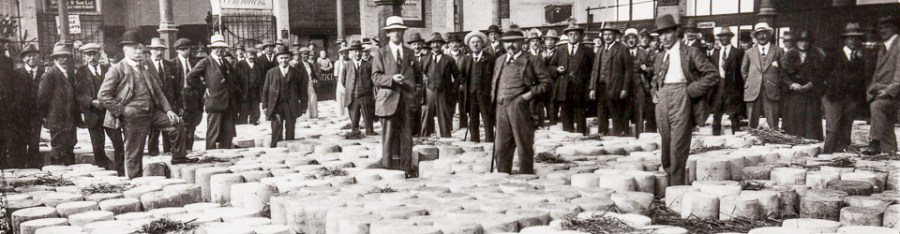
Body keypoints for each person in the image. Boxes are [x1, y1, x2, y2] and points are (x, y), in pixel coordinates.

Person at [98, 30, 190, 178]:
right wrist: (122, 110)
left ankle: (178, 158)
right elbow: (103, 95)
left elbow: (158, 92)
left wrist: (168, 111)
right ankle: (135, 181)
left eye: (141, 48)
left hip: (151, 113)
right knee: (134, 152)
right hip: (133, 117)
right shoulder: (117, 70)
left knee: (177, 124)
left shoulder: (145, 66)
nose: (139, 51)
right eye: (135, 48)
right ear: (125, 49)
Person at [651, 14, 719, 186]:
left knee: (677, 147)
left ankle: (677, 190)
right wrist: (655, 91)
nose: (663, 37)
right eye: (660, 34)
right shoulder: (660, 55)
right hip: (663, 100)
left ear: (676, 32)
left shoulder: (691, 52)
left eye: (667, 33)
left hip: (682, 96)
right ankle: (671, 185)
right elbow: (654, 77)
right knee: (666, 147)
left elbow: (712, 74)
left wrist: (691, 90)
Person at [492, 29, 553, 174]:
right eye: (507, 42)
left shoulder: (533, 60)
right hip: (501, 107)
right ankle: (503, 175)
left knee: (523, 145)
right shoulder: (500, 60)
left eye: (514, 41)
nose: (510, 45)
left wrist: (527, 96)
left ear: (522, 43)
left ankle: (526, 178)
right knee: (501, 147)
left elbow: (547, 84)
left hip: (521, 107)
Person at [372, 16, 423, 177]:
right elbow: (375, 76)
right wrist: (391, 79)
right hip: (388, 100)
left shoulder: (409, 52)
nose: (396, 34)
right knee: (387, 137)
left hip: (407, 100)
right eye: (393, 31)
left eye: (399, 31)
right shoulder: (381, 53)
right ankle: (388, 170)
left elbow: (419, 76)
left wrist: (416, 92)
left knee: (407, 136)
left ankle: (406, 169)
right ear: (388, 34)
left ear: (403, 32)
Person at [187, 34, 244, 149]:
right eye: (216, 47)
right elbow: (190, 76)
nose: (220, 50)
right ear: (212, 48)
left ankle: (225, 154)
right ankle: (211, 155)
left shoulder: (225, 62)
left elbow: (233, 79)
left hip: (228, 102)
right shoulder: (205, 62)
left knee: (228, 132)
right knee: (214, 131)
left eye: (222, 47)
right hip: (215, 102)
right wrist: (204, 88)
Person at [823, 23, 868, 153]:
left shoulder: (859, 59)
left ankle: (840, 157)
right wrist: (826, 93)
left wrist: (856, 100)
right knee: (832, 128)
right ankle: (827, 155)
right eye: (850, 38)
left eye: (856, 38)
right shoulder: (833, 56)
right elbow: (820, 76)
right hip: (833, 99)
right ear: (845, 39)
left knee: (846, 128)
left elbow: (862, 80)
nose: (853, 41)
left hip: (850, 100)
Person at [75, 43, 121, 171]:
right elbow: (78, 94)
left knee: (118, 142)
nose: (92, 58)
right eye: (88, 55)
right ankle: (103, 170)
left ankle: (121, 169)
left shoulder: (109, 70)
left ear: (99, 55)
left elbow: (117, 89)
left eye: (94, 54)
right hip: (93, 114)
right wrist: (91, 101)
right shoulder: (80, 72)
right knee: (97, 146)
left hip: (109, 113)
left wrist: (112, 103)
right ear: (84, 57)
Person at [862, 16, 900, 155]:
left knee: (877, 106)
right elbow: (877, 74)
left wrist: (888, 91)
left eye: (887, 27)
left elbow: (899, 75)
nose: (883, 30)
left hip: (895, 94)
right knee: (887, 125)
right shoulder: (883, 47)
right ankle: (891, 153)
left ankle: (875, 142)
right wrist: (871, 89)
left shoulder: (898, 45)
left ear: (895, 28)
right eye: (881, 27)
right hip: (882, 91)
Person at [38, 44, 81, 165]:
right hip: (57, 120)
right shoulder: (49, 75)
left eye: (67, 57)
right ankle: (58, 175)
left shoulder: (70, 74)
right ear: (55, 59)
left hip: (70, 120)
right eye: (61, 57)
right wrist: (49, 116)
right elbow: (42, 100)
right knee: (58, 149)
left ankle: (70, 176)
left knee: (70, 147)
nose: (65, 60)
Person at [779, 31, 825, 140]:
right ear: (796, 42)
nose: (803, 44)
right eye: (800, 41)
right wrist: (791, 84)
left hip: (811, 93)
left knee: (810, 120)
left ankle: (811, 143)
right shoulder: (789, 55)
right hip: (793, 94)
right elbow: (782, 74)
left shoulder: (818, 55)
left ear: (810, 42)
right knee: (793, 119)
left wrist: (810, 85)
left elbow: (821, 74)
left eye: (806, 41)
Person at [261, 45, 308, 148]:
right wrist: (265, 106)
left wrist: (304, 105)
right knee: (276, 128)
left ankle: (289, 150)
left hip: (291, 105)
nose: (284, 60)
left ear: (289, 58)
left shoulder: (296, 72)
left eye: (286, 57)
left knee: (290, 129)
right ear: (277, 59)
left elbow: (302, 90)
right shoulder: (271, 73)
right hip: (276, 105)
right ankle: (275, 150)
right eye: (281, 58)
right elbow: (265, 90)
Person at [550, 22, 593, 135]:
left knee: (580, 114)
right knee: (565, 114)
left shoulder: (587, 51)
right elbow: (550, 66)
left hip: (581, 88)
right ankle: (567, 139)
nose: (573, 37)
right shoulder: (560, 50)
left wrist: (589, 88)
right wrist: (557, 69)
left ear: (580, 36)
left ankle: (581, 139)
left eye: (575, 34)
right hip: (564, 88)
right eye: (570, 34)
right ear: (567, 36)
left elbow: (593, 70)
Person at [591, 25, 633, 136]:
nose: (607, 37)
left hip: (616, 88)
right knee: (601, 113)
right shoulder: (600, 50)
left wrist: (625, 89)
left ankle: (618, 136)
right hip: (601, 88)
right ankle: (602, 134)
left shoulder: (622, 49)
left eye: (610, 34)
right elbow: (595, 70)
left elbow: (628, 71)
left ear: (615, 35)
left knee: (616, 114)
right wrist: (592, 88)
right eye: (605, 34)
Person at [742, 22, 784, 130]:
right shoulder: (749, 52)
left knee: (773, 121)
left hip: (771, 90)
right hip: (753, 90)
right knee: (752, 121)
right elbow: (744, 71)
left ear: (769, 35)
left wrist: (776, 83)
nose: (762, 36)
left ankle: (775, 141)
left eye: (764, 33)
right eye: (759, 34)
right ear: (755, 36)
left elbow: (782, 71)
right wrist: (751, 82)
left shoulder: (778, 51)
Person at [10, 44, 44, 168]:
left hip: (36, 115)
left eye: (34, 55)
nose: (31, 58)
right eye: (28, 56)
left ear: (38, 57)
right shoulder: (16, 74)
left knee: (34, 142)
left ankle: (33, 169)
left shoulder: (43, 73)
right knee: (20, 142)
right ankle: (19, 168)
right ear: (24, 58)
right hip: (20, 115)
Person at [420, 32, 460, 137]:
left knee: (444, 117)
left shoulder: (449, 59)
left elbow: (458, 76)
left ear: (441, 44)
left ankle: (446, 140)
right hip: (428, 92)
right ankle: (425, 140)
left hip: (443, 92)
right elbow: (419, 74)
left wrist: (453, 89)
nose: (435, 45)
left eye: (438, 43)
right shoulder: (424, 59)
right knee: (426, 117)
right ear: (430, 45)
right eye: (433, 43)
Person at [460, 31, 495, 142]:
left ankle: (489, 142)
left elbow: (495, 75)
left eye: (478, 42)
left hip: (485, 94)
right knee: (473, 120)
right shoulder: (466, 59)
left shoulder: (490, 58)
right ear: (469, 45)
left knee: (487, 119)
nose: (475, 44)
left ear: (482, 44)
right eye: (473, 42)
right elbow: (461, 75)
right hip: (471, 94)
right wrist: (464, 84)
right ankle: (474, 141)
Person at [710, 27, 746, 136]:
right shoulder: (715, 54)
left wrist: (739, 92)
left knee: (734, 118)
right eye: (721, 36)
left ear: (730, 37)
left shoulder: (738, 52)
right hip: (718, 89)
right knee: (716, 117)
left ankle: (736, 142)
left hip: (732, 90)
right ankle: (715, 141)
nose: (723, 38)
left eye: (726, 36)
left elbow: (741, 73)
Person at [145, 38, 177, 156]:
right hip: (152, 104)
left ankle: (168, 152)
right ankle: (153, 154)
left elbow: (175, 86)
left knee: (169, 129)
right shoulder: (144, 65)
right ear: (150, 50)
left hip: (168, 102)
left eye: (161, 50)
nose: (159, 52)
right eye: (156, 49)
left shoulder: (170, 65)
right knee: (153, 131)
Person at [340, 41, 376, 135]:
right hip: (353, 97)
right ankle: (355, 131)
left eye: (359, 51)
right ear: (351, 53)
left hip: (366, 96)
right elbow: (342, 81)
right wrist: (350, 90)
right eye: (355, 51)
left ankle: (369, 132)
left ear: (362, 51)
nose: (357, 53)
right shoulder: (347, 66)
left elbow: (373, 80)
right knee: (354, 120)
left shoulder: (368, 65)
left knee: (368, 120)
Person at [173, 38, 202, 152]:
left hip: (193, 96)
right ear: (177, 51)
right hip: (181, 96)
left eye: (187, 49)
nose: (185, 51)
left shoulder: (195, 63)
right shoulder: (173, 64)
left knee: (193, 124)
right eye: (182, 50)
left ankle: (190, 147)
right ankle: (182, 148)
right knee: (183, 124)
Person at [623, 28, 653, 136]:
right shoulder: (622, 52)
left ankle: (639, 136)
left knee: (639, 112)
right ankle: (625, 136)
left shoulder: (643, 53)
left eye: (633, 38)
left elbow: (652, 68)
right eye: (629, 38)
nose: (631, 40)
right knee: (625, 112)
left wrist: (646, 69)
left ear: (637, 40)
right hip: (625, 86)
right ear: (626, 40)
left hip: (639, 85)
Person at [236, 45, 266, 125]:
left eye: (254, 54)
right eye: (250, 54)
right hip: (243, 95)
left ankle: (254, 131)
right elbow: (235, 80)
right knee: (243, 114)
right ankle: (243, 133)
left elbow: (262, 81)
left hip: (255, 95)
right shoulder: (239, 65)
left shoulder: (259, 65)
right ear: (245, 54)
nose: (252, 56)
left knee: (255, 115)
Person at [541, 29, 561, 126]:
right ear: (544, 41)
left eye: (552, 40)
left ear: (556, 41)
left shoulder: (560, 52)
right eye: (548, 40)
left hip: (554, 83)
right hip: (542, 83)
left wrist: (555, 69)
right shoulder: (540, 53)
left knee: (553, 104)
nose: (549, 42)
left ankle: (553, 124)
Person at [0, 35, 14, 168]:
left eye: (3, 43)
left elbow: (11, 83)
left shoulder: (8, 61)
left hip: (5, 105)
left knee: (4, 135)